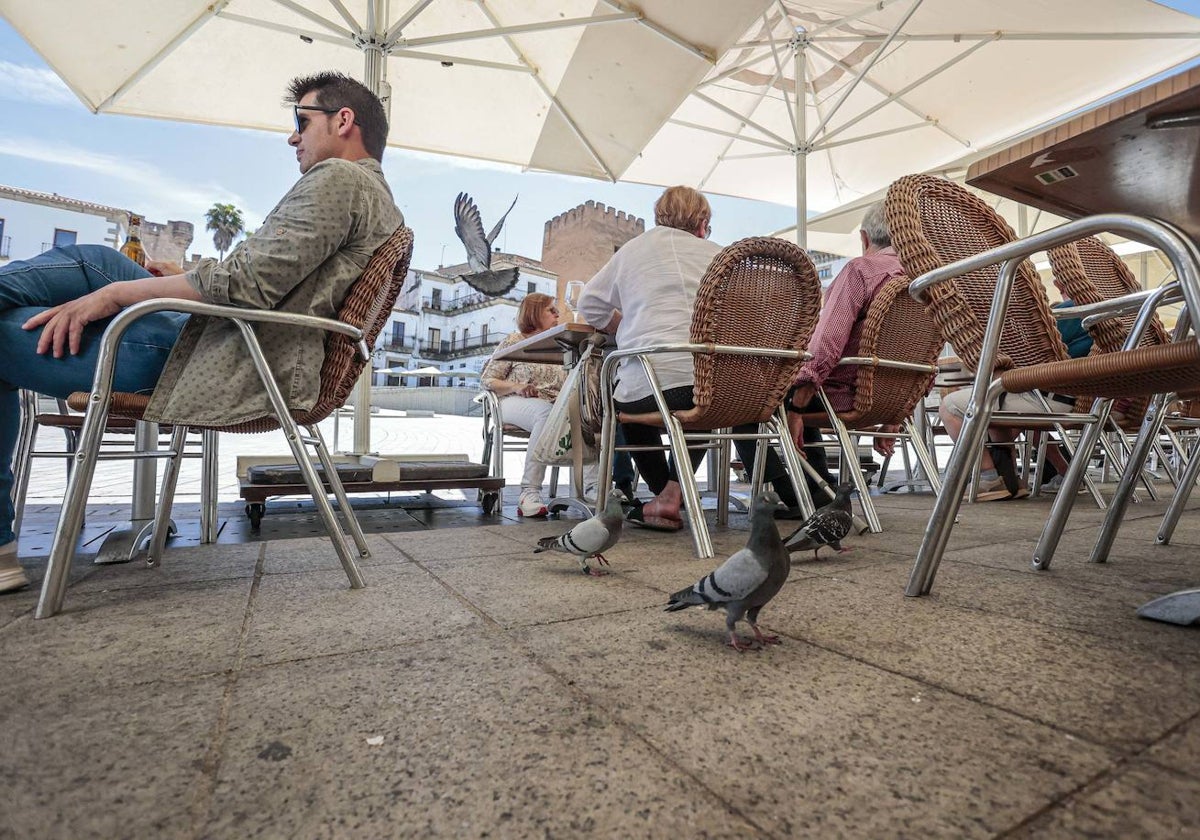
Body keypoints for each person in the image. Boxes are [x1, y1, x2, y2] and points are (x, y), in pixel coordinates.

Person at [0, 70, 404, 593]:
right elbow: (265, 278)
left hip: (217, 356)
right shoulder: (375, 196)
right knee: (97, 259)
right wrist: (176, 280)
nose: (293, 136)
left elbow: (248, 283)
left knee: (56, 302)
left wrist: (118, 295)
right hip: (225, 338)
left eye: (302, 121)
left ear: (343, 120)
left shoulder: (341, 180)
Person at [576, 185, 803, 531]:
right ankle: (672, 493)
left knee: (630, 414)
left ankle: (664, 496)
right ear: (702, 222)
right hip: (723, 383)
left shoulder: (634, 250)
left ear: (659, 217)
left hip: (651, 381)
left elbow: (589, 305)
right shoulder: (721, 256)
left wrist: (624, 327)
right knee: (702, 396)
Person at [784, 201, 906, 496]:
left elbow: (826, 342)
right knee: (801, 389)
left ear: (864, 238)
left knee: (759, 400)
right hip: (890, 399)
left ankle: (789, 494)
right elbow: (924, 360)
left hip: (843, 396)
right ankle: (818, 489)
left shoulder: (860, 271)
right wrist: (895, 416)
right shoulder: (922, 280)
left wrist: (797, 405)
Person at [480, 293, 598, 517]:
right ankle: (529, 492)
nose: (557, 314)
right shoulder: (516, 340)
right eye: (550, 310)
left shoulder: (562, 346)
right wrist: (516, 386)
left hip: (553, 407)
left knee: (585, 414)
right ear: (533, 314)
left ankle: (588, 488)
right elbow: (488, 380)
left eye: (556, 310)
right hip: (512, 402)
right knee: (545, 413)